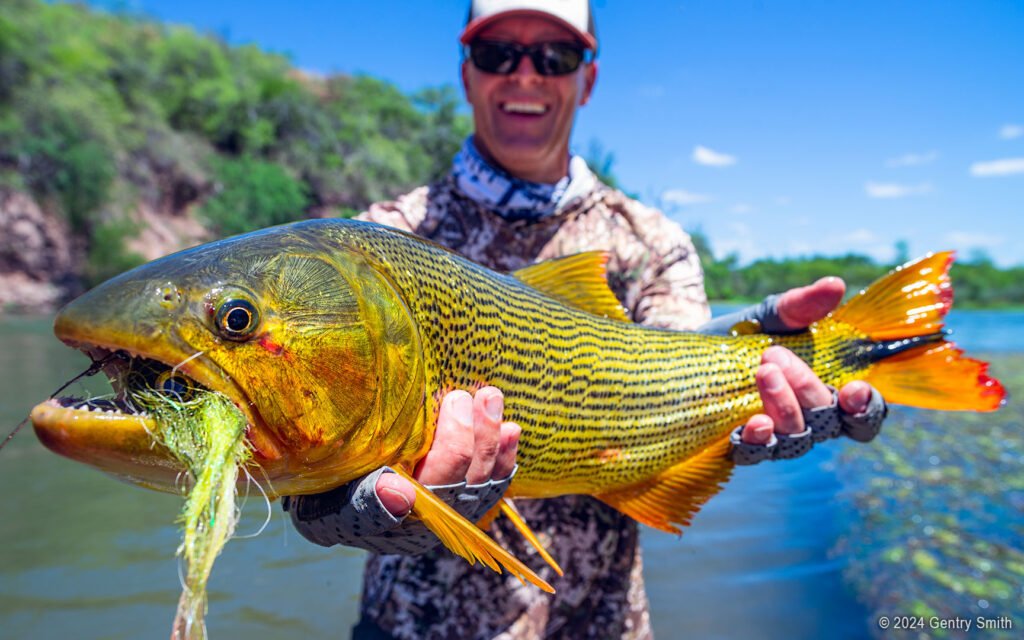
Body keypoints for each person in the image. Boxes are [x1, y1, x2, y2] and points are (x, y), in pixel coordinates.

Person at [285, 2, 888, 638]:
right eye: (497, 54)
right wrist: (323, 505)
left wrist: (769, 353)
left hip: (598, 622)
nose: (525, 75)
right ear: (467, 75)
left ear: (587, 80)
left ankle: (884, 350)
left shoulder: (652, 242)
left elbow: (674, 363)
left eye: (555, 57)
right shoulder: (379, 243)